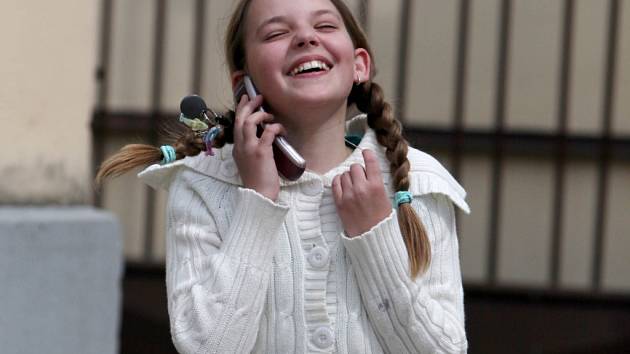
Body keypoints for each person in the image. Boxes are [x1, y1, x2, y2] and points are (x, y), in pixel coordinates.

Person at [97, 0, 470, 352]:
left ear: (360, 64)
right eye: (276, 33)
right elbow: (207, 345)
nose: (307, 38)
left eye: (324, 24)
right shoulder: (202, 184)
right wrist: (258, 202)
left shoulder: (419, 182)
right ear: (243, 84)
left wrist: (376, 234)